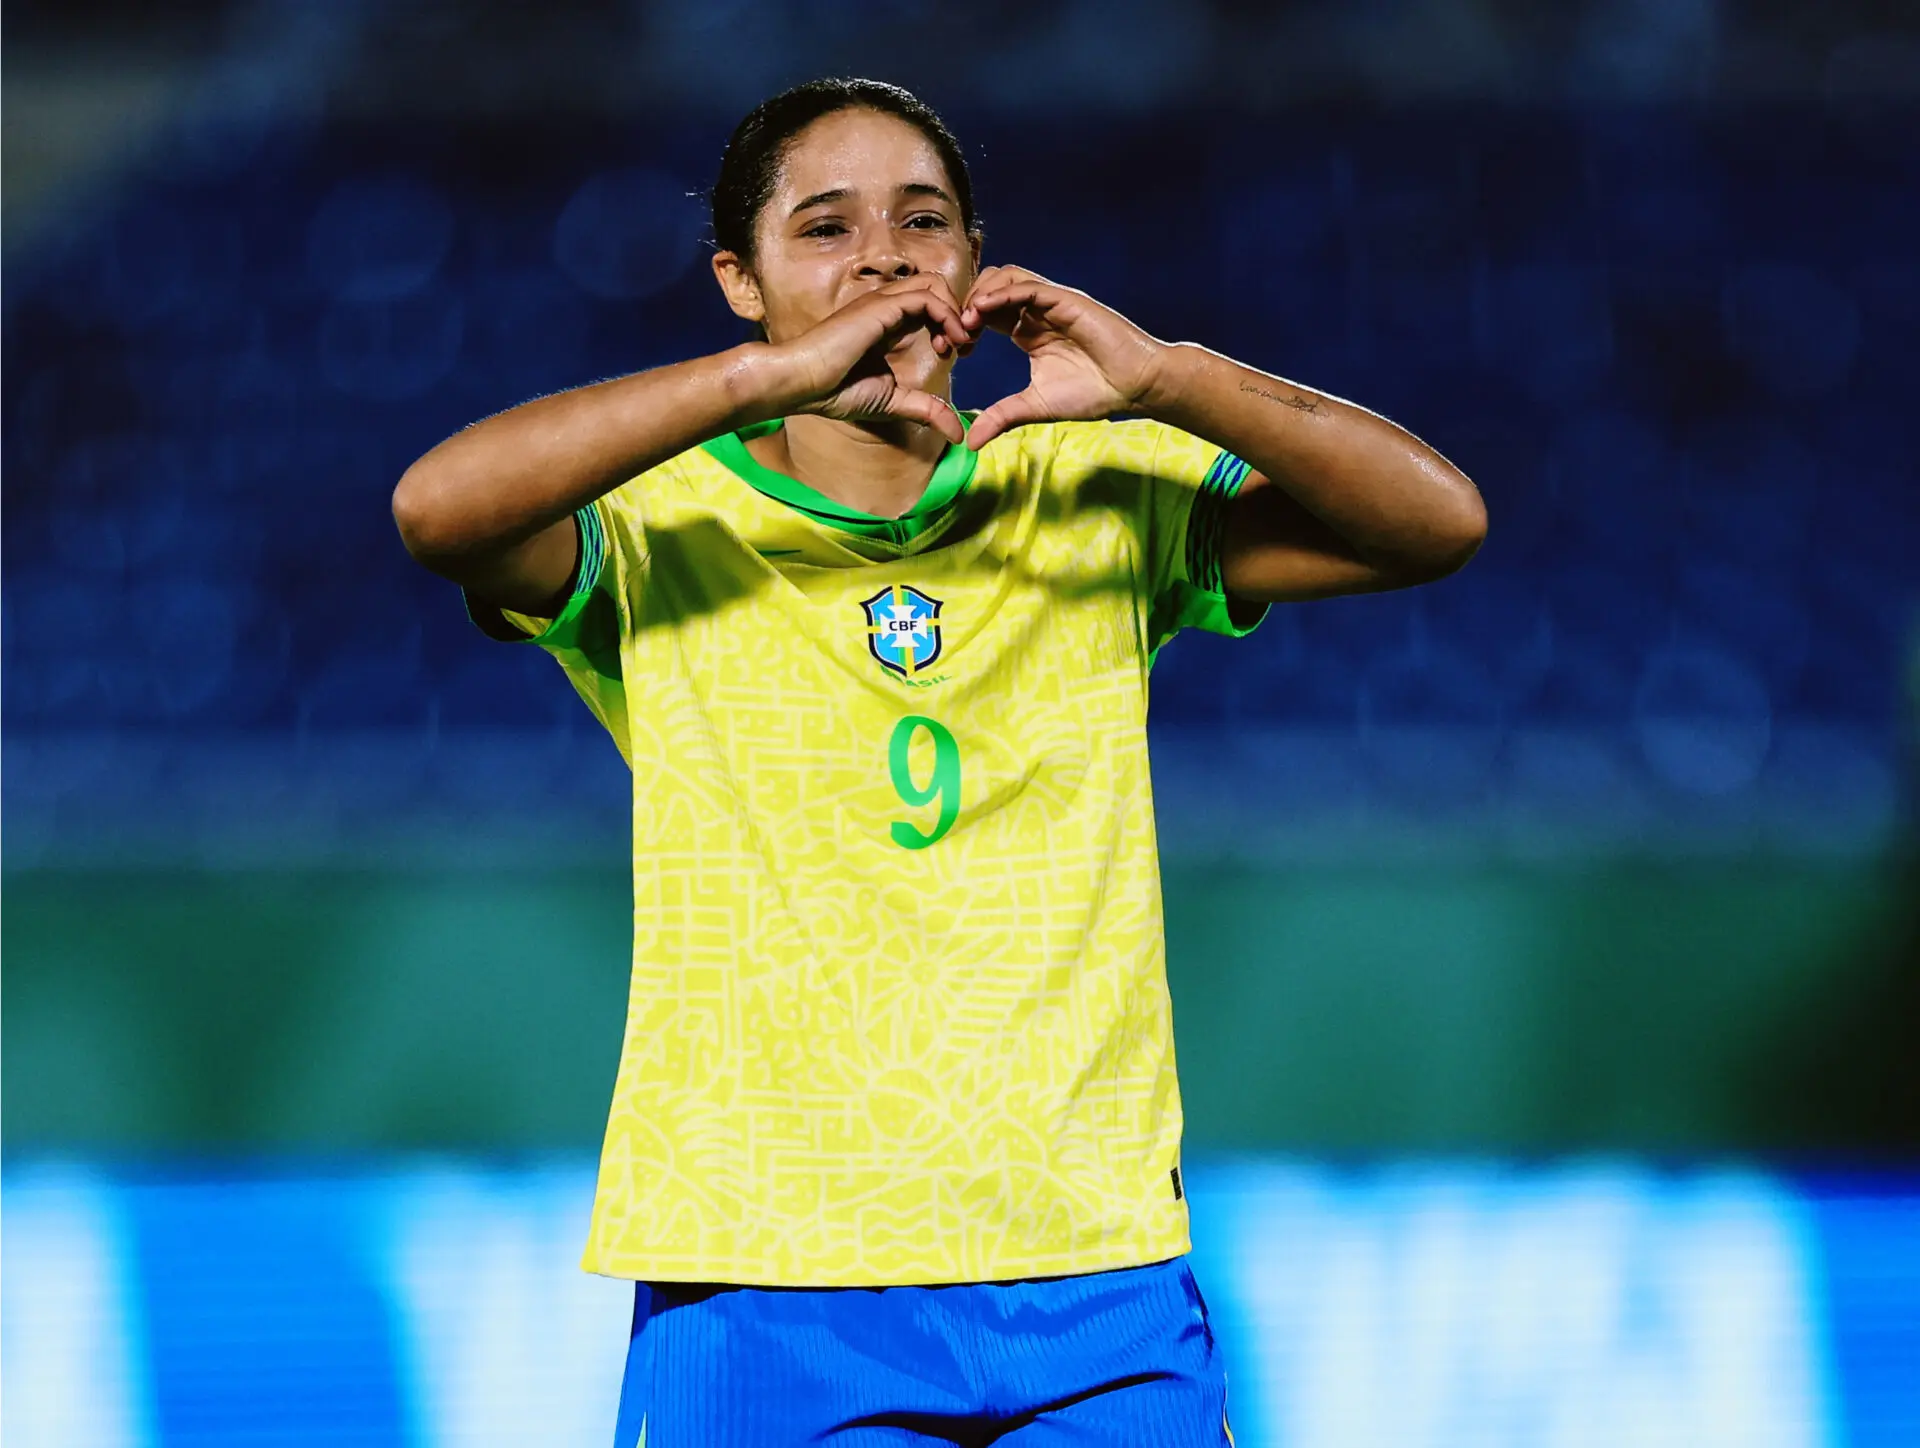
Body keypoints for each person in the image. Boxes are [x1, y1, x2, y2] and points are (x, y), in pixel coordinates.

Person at [394, 76, 1484, 1447]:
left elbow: (1435, 524)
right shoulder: (656, 523)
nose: (884, 257)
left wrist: (1169, 377)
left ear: (974, 262)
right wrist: (763, 385)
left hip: (1092, 1268)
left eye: (926, 221)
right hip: (767, 1274)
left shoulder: (1100, 488)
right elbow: (433, 510)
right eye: (824, 228)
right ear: (740, 280)